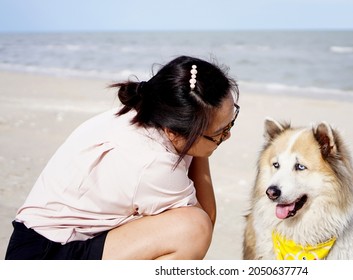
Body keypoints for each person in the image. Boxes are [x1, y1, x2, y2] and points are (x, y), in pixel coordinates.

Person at [5, 55, 240, 260]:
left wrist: (202, 136)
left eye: (232, 120)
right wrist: (201, 147)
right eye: (220, 132)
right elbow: (206, 222)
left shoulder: (146, 110)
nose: (228, 135)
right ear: (174, 130)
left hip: (46, 240)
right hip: (47, 256)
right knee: (192, 229)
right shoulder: (153, 163)